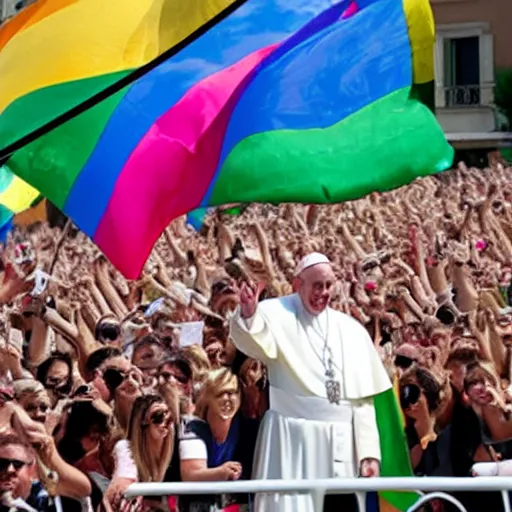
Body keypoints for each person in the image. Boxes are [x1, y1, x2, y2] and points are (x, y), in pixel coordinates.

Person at [229, 252, 391, 512]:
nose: (323, 292)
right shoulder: (276, 312)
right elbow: (254, 341)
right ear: (297, 284)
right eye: (317, 285)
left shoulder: (350, 330)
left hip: (342, 443)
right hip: (293, 440)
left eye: (328, 285)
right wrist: (248, 315)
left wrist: (368, 452)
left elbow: (361, 400)